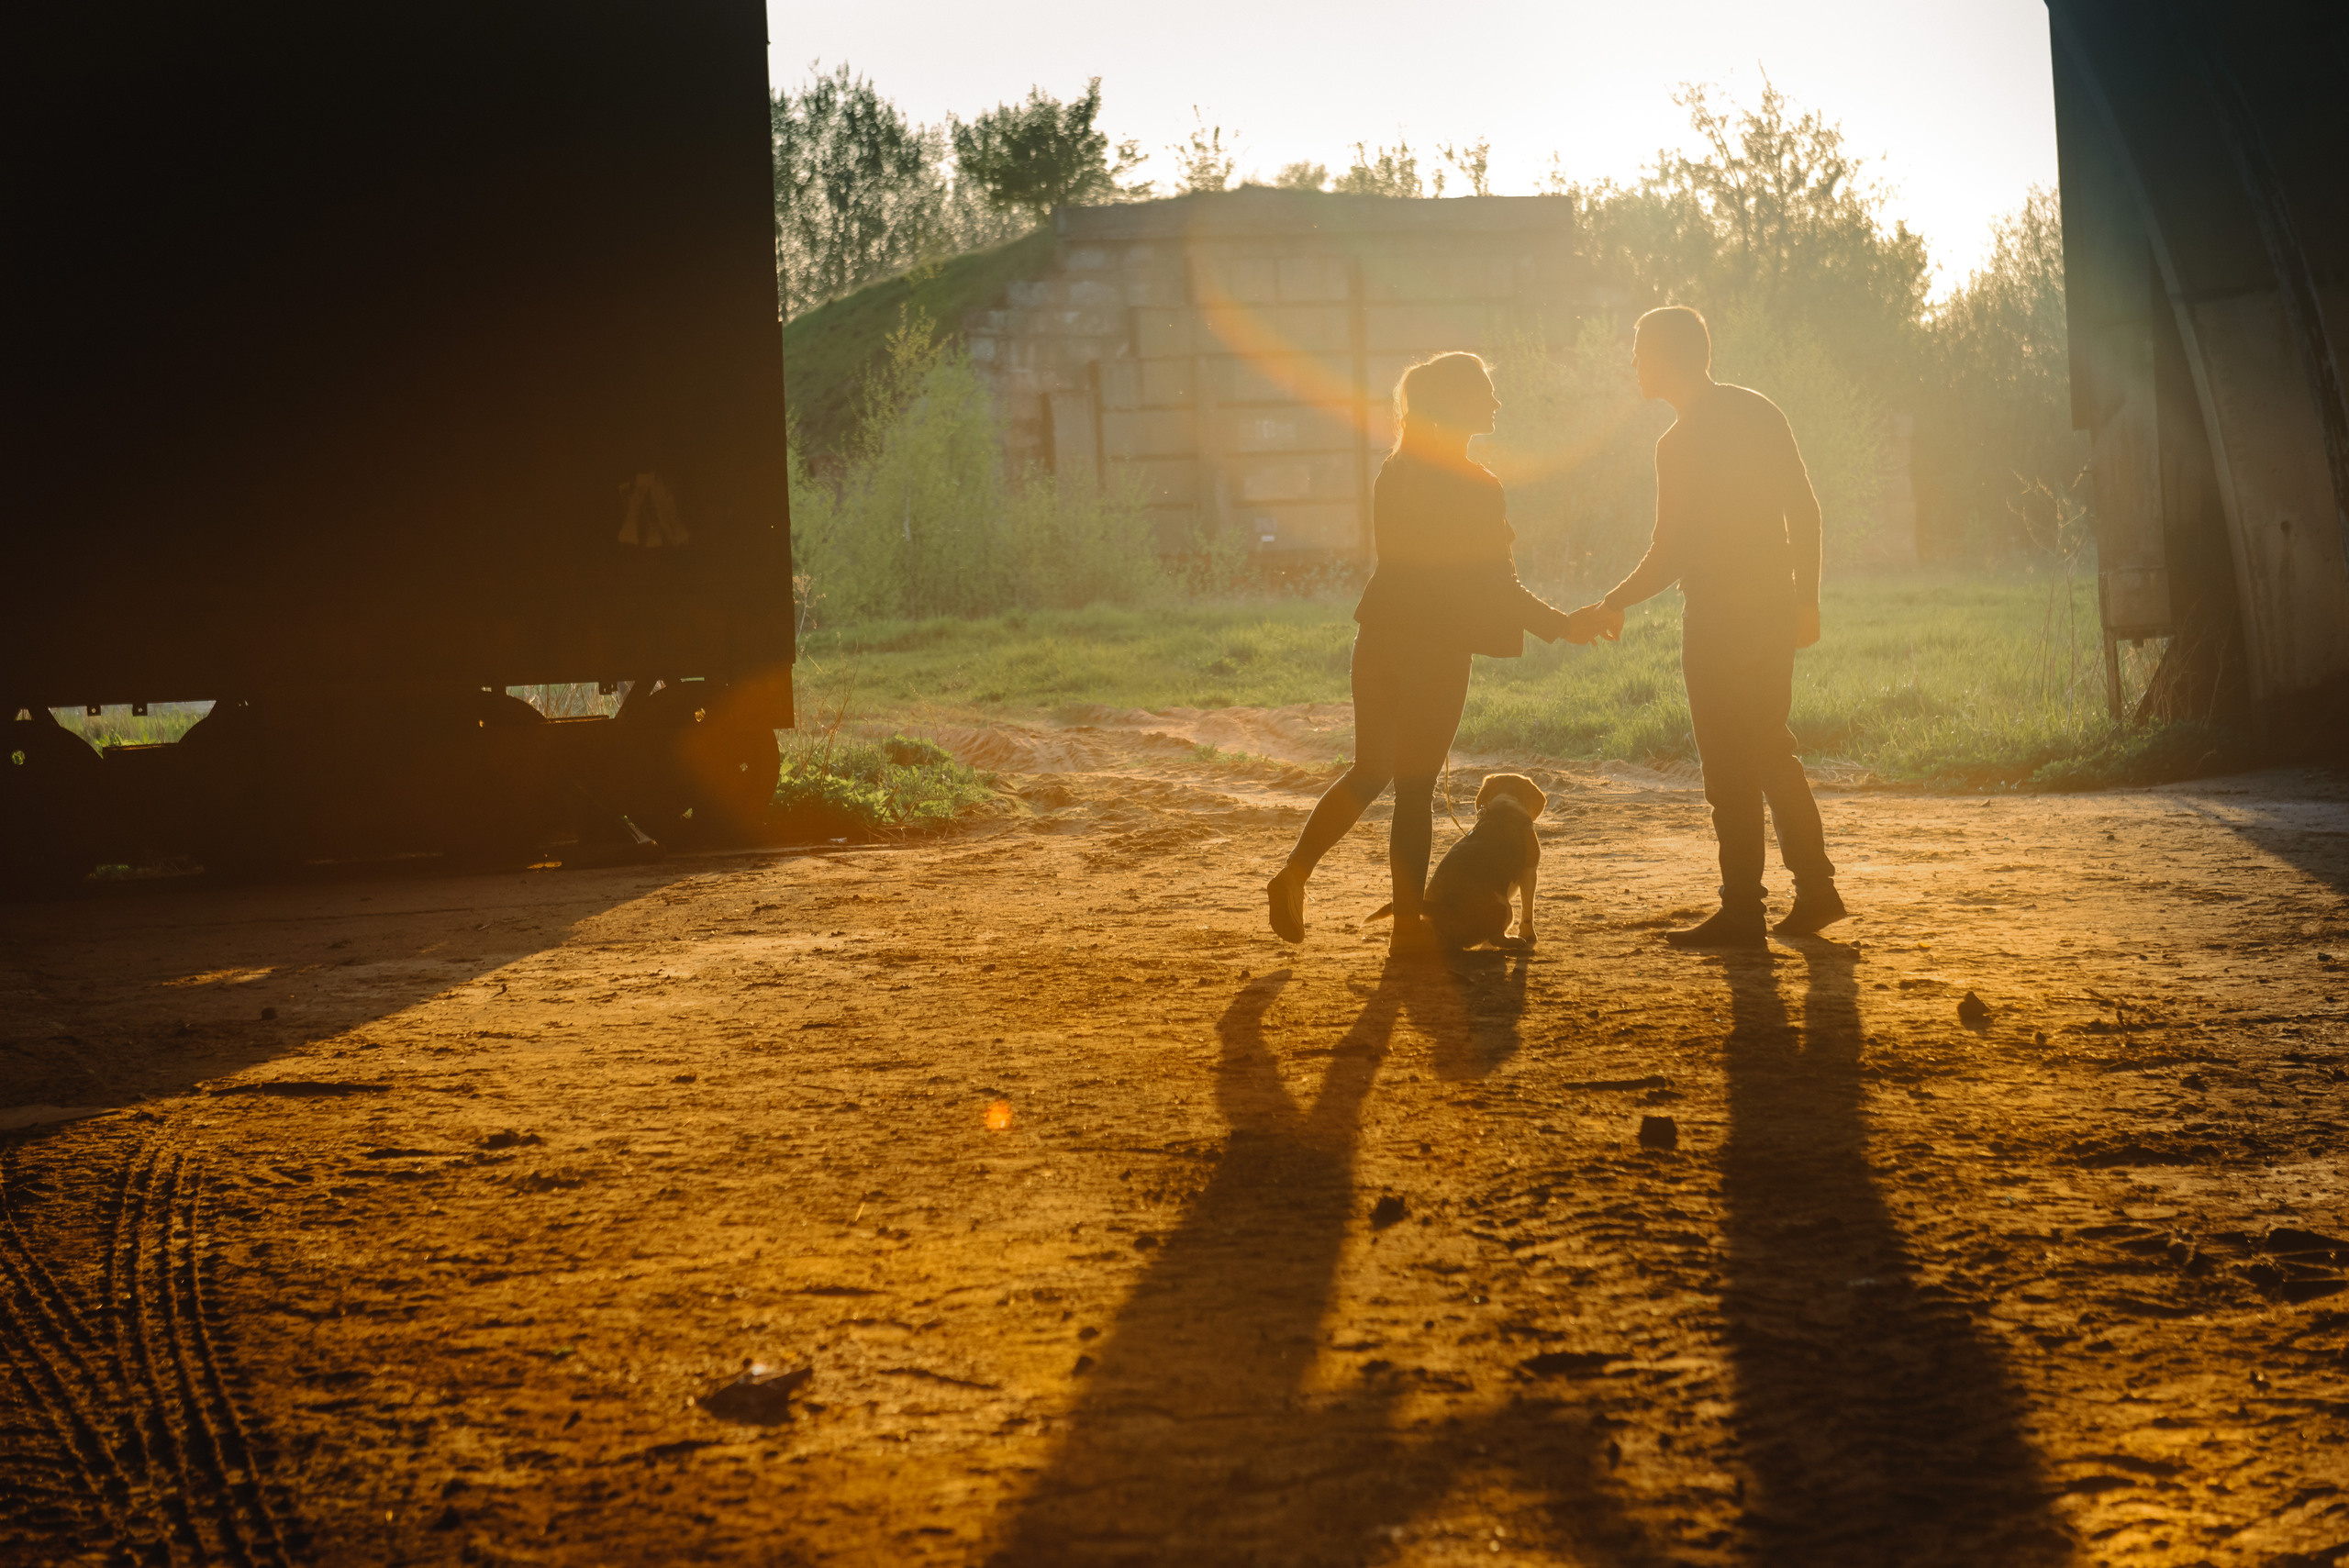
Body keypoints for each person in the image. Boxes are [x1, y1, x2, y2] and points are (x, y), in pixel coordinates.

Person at [1265, 351, 1589, 956]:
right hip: (1435, 651)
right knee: (1414, 788)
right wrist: (1563, 625)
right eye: (1485, 394)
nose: (1495, 404)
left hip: (1380, 637)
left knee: (1369, 772)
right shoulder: (1476, 485)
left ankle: (1295, 873)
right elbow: (1498, 585)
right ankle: (1409, 929)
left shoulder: (1396, 471)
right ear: (1458, 404)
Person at [1575, 306, 1846, 948]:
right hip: (1773, 609)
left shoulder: (1677, 443)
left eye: (1640, 350)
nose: (1634, 363)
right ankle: (1816, 890)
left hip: (1718, 619)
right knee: (1772, 750)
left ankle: (1743, 910)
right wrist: (1805, 602)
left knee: (1728, 768)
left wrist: (1614, 600)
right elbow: (1804, 512)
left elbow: (1670, 553)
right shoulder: (1759, 410)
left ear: (1668, 357)